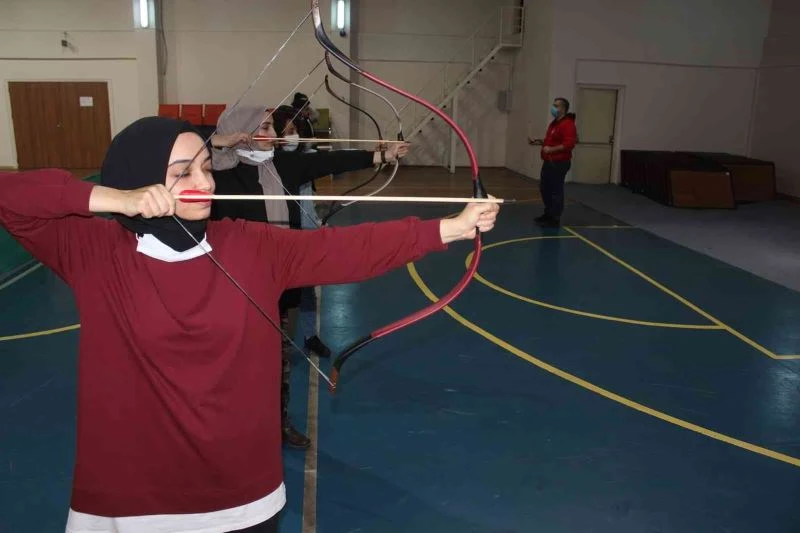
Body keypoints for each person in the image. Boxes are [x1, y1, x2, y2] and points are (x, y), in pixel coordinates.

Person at [0, 116, 498, 532]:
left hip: (240, 492)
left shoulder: (249, 245)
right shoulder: (91, 252)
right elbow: (11, 195)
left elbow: (344, 249)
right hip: (131, 496)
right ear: (140, 177)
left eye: (205, 167)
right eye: (182, 172)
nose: (205, 183)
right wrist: (114, 200)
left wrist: (449, 227)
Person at [209, 104, 409, 450]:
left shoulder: (284, 164)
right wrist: (215, 141)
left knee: (278, 360)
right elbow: (172, 149)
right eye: (266, 128)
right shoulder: (218, 173)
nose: (275, 135)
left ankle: (277, 422)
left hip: (282, 282)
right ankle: (231, 424)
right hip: (235, 284)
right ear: (241, 133)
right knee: (234, 362)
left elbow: (329, 162)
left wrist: (382, 155)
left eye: (272, 127)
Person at [528, 97, 577, 227]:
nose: (553, 108)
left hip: (559, 163)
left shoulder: (568, 124)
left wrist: (551, 149)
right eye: (553, 105)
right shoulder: (554, 123)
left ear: (563, 109)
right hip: (548, 162)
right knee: (545, 189)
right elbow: (550, 141)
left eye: (556, 106)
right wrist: (538, 142)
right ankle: (548, 213)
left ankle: (555, 217)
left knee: (555, 190)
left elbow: (569, 144)